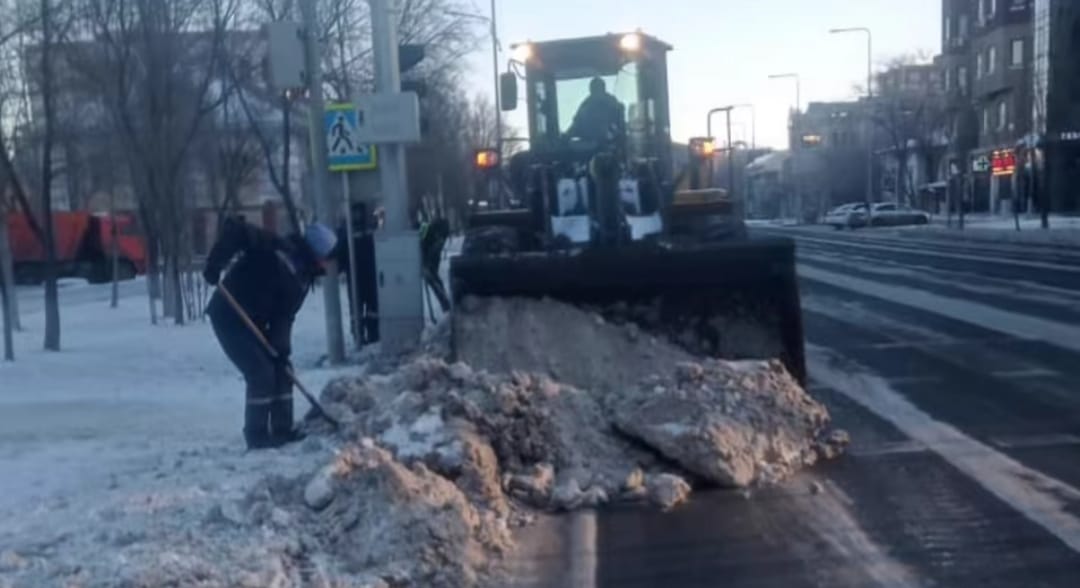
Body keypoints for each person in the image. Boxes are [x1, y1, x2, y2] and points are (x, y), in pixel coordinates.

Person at [202, 217, 338, 450]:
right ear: (316, 254)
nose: (329, 264)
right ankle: (257, 436)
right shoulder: (274, 247)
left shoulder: (302, 278)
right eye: (327, 258)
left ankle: (282, 430)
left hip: (255, 322)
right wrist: (215, 264)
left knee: (282, 369)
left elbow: (284, 317)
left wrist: (280, 350)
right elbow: (236, 229)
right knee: (260, 372)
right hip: (229, 315)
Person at [566, 76, 626, 147]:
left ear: (604, 88)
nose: (597, 91)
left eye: (599, 87)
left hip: (611, 145)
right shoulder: (586, 105)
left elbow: (620, 124)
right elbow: (576, 125)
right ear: (591, 90)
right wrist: (565, 137)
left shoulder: (612, 103)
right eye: (594, 88)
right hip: (589, 147)